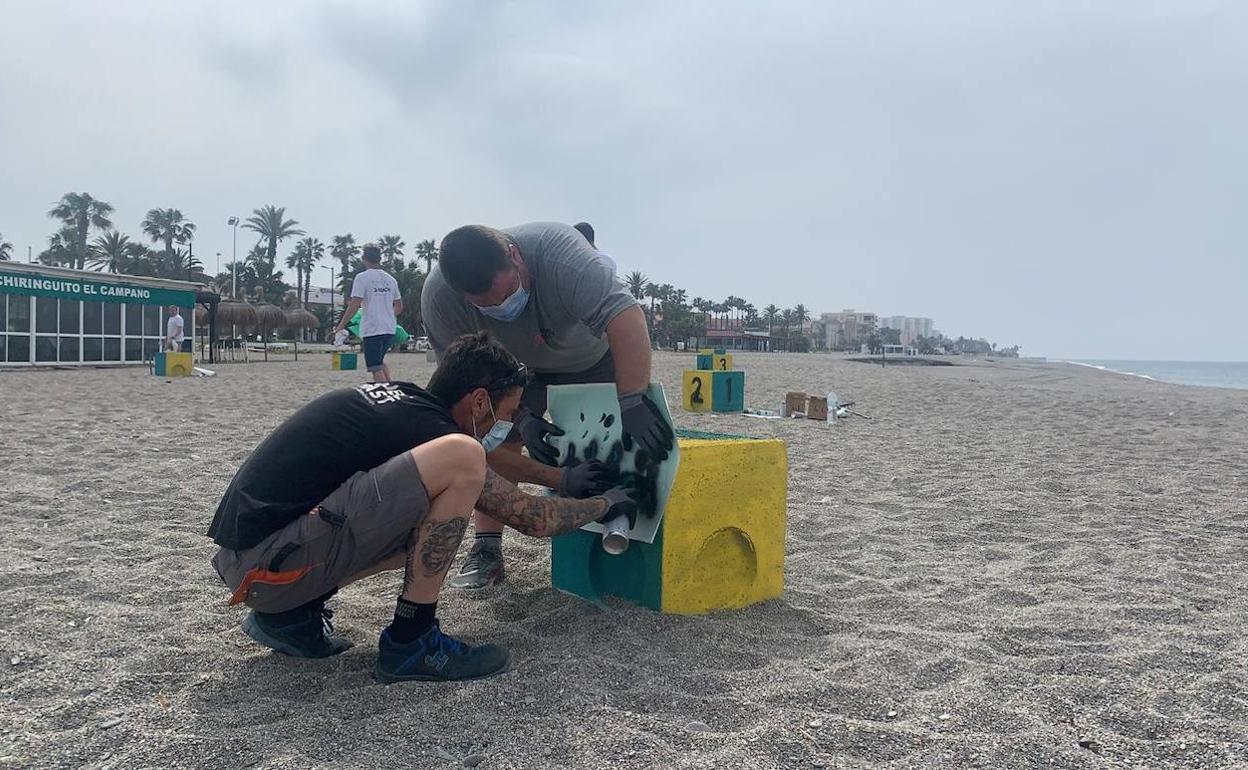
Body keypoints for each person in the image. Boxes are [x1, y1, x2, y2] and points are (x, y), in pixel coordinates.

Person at [208, 332, 632, 683]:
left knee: (424, 519)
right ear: (479, 401)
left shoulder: (407, 407)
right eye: (506, 415)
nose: (507, 428)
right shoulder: (447, 442)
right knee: (461, 464)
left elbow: (480, 456)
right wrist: (603, 504)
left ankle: (289, 619)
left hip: (253, 561)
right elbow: (532, 517)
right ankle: (412, 640)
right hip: (268, 567)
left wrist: (560, 479)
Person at [421, 222, 675, 590]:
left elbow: (626, 317)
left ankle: (623, 522)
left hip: (590, 357)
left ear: (515, 255)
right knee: (494, 438)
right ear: (462, 296)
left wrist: (632, 399)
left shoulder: (561, 256)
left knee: (614, 440)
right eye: (485, 307)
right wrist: (521, 419)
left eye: (508, 292)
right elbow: (468, 391)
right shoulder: (440, 299)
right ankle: (486, 552)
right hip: (511, 371)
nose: (502, 308)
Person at [332, 244, 401, 383]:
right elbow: (399, 306)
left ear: (364, 258)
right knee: (380, 362)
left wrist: (341, 325)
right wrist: (387, 316)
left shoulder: (362, 277)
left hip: (373, 328)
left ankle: (386, 397)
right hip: (389, 328)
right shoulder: (391, 279)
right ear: (379, 259)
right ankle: (392, 391)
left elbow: (355, 303)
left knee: (375, 367)